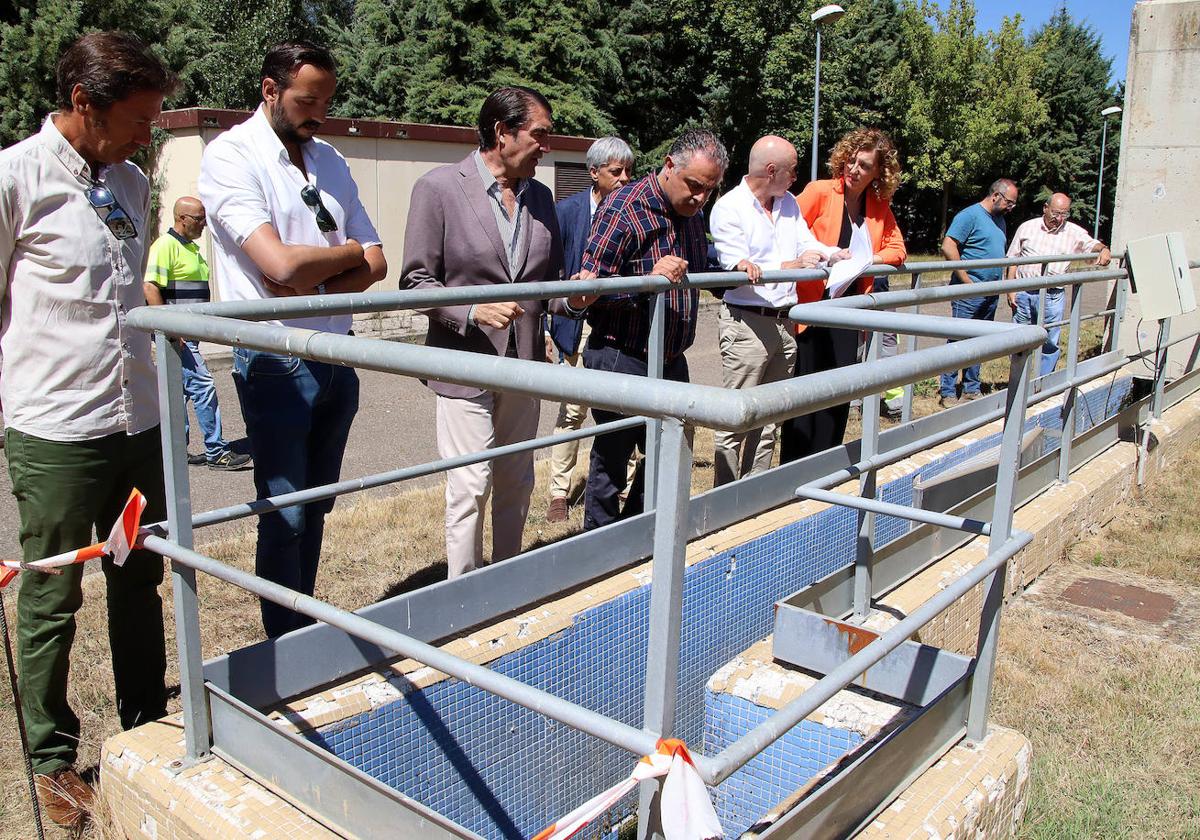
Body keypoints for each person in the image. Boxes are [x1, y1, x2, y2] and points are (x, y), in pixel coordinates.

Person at [0, 31, 177, 829]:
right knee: (52, 593)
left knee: (140, 578)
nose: (149, 133)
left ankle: (147, 730)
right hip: (56, 428)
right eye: (139, 117)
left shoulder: (133, 182)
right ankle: (51, 760)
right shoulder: (14, 178)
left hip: (135, 421)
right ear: (84, 103)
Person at [198, 41, 386, 637]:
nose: (320, 113)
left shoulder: (329, 157)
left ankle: (303, 623)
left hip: (337, 352)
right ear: (269, 89)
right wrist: (336, 260)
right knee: (285, 512)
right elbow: (277, 266)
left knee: (318, 503)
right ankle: (284, 642)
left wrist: (324, 267)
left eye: (328, 100)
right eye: (308, 100)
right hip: (276, 357)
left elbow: (376, 261)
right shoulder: (231, 156)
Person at [401, 86, 568, 577]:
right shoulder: (438, 188)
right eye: (539, 134)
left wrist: (576, 296)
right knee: (470, 485)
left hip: (523, 366)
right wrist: (473, 310)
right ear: (502, 132)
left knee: (517, 479)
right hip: (464, 361)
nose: (546, 145)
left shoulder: (541, 196)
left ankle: (507, 581)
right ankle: (464, 597)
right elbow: (415, 281)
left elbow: (549, 284)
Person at [568, 129, 727, 529]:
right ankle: (600, 548)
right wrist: (647, 279)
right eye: (694, 186)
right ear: (669, 166)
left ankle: (642, 534)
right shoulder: (624, 207)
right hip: (622, 353)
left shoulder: (692, 216)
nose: (700, 197)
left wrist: (734, 273)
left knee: (668, 454)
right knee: (613, 456)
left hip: (671, 356)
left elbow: (698, 272)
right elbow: (592, 290)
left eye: (708, 190)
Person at [709, 135, 846, 484]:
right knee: (735, 418)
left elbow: (805, 243)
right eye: (793, 170)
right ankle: (724, 498)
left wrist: (832, 253)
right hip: (747, 324)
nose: (797, 177)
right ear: (772, 171)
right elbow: (738, 266)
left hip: (785, 322)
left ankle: (754, 494)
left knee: (769, 419)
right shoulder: (730, 207)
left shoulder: (788, 204)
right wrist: (792, 264)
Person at [780, 127, 907, 463]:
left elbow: (898, 250)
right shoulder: (820, 191)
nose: (853, 169)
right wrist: (815, 256)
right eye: (851, 161)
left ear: (879, 171)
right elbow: (788, 232)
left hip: (849, 312)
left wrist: (866, 260)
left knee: (839, 394)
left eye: (864, 166)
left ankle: (825, 468)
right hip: (812, 310)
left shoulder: (878, 205)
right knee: (805, 397)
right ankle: (793, 472)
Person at [545, 136, 634, 522]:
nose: (625, 178)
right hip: (572, 327)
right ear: (594, 172)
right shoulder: (566, 212)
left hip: (615, 333)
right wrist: (549, 329)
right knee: (570, 413)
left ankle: (623, 481)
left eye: (629, 171)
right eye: (616, 172)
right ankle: (559, 493)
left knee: (619, 411)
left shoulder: (634, 211)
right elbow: (550, 273)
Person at [143, 197, 252, 470]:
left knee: (179, 393)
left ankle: (174, 451)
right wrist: (169, 328)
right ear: (182, 218)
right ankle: (217, 452)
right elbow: (150, 287)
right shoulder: (165, 246)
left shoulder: (189, 248)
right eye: (199, 219)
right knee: (203, 386)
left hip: (187, 335)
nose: (203, 224)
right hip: (178, 335)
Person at [1004, 193, 1111, 376]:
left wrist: (1104, 249)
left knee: (1050, 342)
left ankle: (1042, 385)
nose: (1059, 219)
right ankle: (1018, 382)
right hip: (1024, 292)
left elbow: (1092, 244)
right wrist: (1010, 289)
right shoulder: (1027, 228)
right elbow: (1013, 258)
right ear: (1045, 208)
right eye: (1055, 213)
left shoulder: (1072, 231)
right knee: (1018, 340)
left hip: (1053, 295)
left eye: (1064, 214)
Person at [937, 178, 1018, 406]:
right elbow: (948, 245)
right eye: (1009, 203)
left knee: (980, 341)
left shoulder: (999, 220)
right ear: (996, 196)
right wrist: (965, 279)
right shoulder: (970, 215)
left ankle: (971, 388)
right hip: (969, 292)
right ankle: (948, 391)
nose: (1011, 208)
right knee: (959, 341)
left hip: (990, 291)